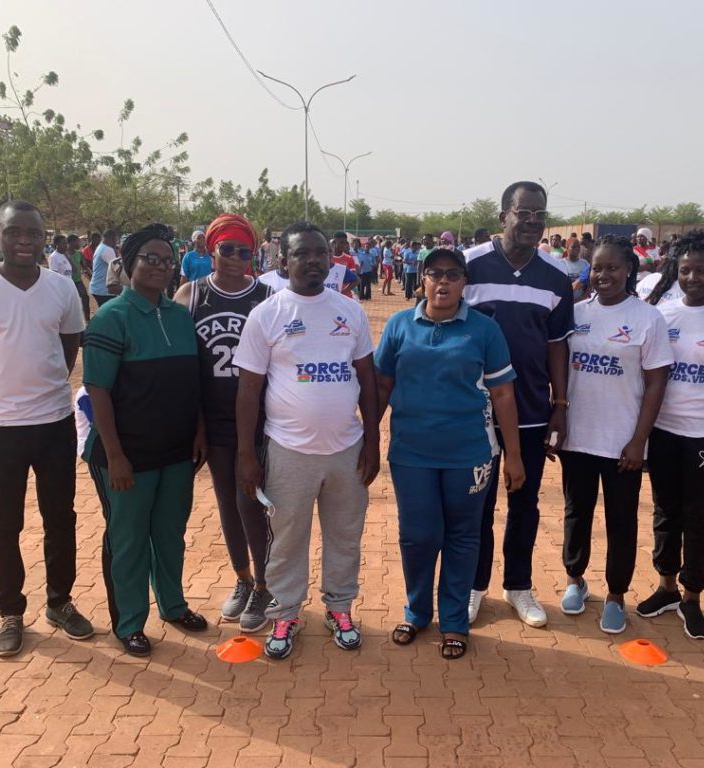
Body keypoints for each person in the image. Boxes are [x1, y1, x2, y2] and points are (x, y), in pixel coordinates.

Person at [0, 200, 92, 657]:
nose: (25, 240)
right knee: (4, 523)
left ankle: (59, 603)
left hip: (54, 422)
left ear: (44, 237)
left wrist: (44, 389)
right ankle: (10, 612)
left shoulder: (61, 289)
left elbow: (68, 349)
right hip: (1, 426)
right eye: (14, 232)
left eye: (33, 233)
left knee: (60, 518)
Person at [234, 220, 379, 660]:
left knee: (345, 534)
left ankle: (339, 609)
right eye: (302, 253)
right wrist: (246, 454)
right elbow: (248, 390)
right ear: (284, 261)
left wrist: (374, 442)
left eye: (320, 253)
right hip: (288, 449)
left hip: (346, 449)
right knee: (287, 537)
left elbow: (367, 379)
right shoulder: (267, 314)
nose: (313, 260)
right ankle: (285, 613)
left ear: (331, 259)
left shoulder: (350, 310)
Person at [376, 248, 525, 659]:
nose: (443, 281)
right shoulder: (399, 325)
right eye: (435, 273)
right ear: (422, 279)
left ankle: (455, 621)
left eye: (453, 274)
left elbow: (503, 393)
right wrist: (369, 437)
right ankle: (417, 612)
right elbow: (382, 385)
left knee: (462, 536)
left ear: (464, 282)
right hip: (411, 453)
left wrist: (514, 456)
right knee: (418, 536)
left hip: (470, 454)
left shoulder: (484, 329)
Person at [83, 223, 208, 657]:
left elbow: (192, 382)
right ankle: (129, 622)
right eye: (150, 258)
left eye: (167, 260)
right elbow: (98, 390)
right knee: (130, 539)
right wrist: (115, 455)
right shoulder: (111, 317)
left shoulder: (180, 316)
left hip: (175, 451)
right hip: (126, 455)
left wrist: (199, 431)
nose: (160, 266)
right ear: (128, 263)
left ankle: (173, 605)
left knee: (170, 533)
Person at [463, 181, 575, 629]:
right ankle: (474, 586)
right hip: (473, 413)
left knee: (524, 503)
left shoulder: (556, 276)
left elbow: (557, 346)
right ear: (503, 216)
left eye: (539, 214)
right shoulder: (469, 265)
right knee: (477, 505)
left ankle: (518, 585)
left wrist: (560, 404)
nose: (532, 221)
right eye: (523, 212)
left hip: (529, 411)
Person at [558, 236, 672, 633]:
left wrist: (639, 440)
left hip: (623, 441)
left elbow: (656, 383)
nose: (603, 275)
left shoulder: (647, 318)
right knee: (576, 513)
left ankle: (616, 595)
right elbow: (560, 368)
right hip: (578, 436)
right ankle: (575, 580)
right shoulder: (575, 313)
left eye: (612, 267)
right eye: (597, 267)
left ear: (629, 270)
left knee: (621, 520)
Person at [175, 213, 275, 633]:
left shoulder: (266, 296)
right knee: (227, 502)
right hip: (213, 419)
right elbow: (184, 365)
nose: (235, 258)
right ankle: (243, 578)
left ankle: (266, 585)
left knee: (251, 501)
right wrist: (196, 423)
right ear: (210, 251)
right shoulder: (191, 295)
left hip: (260, 419)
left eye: (244, 251)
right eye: (227, 249)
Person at [638, 230, 704, 640]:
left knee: (699, 517)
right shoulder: (663, 314)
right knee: (665, 512)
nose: (693, 278)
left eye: (702, 271)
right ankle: (666, 587)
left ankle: (693, 595)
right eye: (685, 271)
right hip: (664, 431)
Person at [89, 229, 118, 306]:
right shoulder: (107, 250)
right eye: (116, 239)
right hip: (103, 289)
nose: (116, 242)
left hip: (98, 287)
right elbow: (117, 268)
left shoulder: (101, 247)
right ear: (112, 238)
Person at [67, 234, 91, 322]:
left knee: (85, 297)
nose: (79, 244)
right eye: (77, 242)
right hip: (68, 282)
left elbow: (84, 267)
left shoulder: (79, 253)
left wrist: (91, 276)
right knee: (70, 301)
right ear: (71, 242)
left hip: (77, 281)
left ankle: (87, 320)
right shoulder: (64, 254)